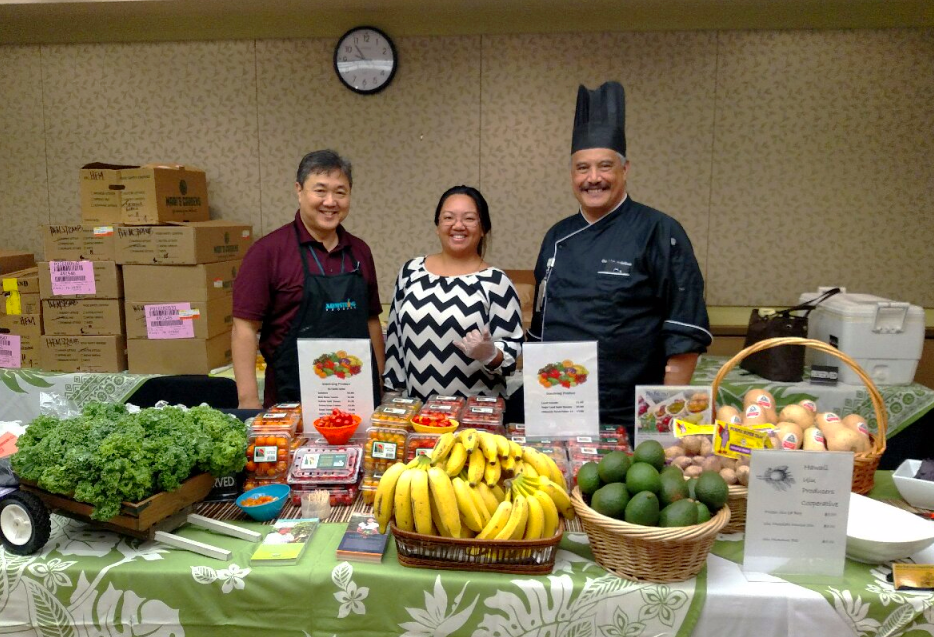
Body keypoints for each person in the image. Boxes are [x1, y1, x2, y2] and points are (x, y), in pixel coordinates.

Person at [528, 82, 712, 441]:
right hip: (559, 405)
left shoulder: (660, 231)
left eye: (605, 166)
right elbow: (541, 325)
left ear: (625, 169)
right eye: (582, 168)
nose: (593, 178)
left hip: (630, 411)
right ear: (571, 175)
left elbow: (683, 334)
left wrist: (662, 426)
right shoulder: (556, 236)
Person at [232, 150, 384, 408]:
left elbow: (371, 321)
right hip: (290, 402)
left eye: (340, 192)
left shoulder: (360, 251)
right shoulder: (268, 251)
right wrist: (248, 402)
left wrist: (378, 385)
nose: (330, 201)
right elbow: (244, 328)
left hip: (356, 401)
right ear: (299, 190)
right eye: (320, 190)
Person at [382, 185, 523, 402]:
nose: (458, 225)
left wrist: (492, 354)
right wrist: (391, 393)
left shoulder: (497, 282)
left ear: (483, 227)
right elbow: (395, 340)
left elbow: (512, 354)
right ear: (437, 225)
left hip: (477, 416)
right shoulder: (411, 271)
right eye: (448, 217)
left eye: (469, 218)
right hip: (417, 413)